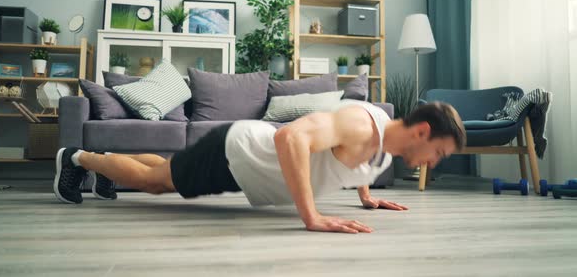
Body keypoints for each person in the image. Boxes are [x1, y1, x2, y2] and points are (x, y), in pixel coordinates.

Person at [54, 100, 466, 234]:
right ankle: (77, 157)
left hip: (244, 164)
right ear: (422, 132)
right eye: (440, 153)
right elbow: (291, 137)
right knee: (154, 183)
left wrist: (366, 195)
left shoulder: (387, 144)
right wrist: (312, 217)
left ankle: (103, 163)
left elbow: (357, 163)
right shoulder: (360, 123)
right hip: (240, 153)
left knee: (166, 169)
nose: (434, 162)